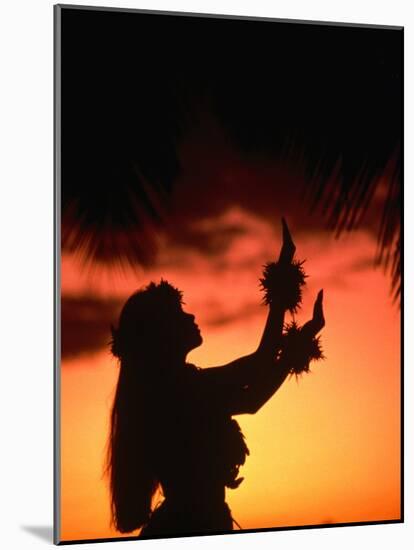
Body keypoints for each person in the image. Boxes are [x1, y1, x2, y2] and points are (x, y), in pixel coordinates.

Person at [104, 219, 325, 538]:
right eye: (179, 314)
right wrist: (282, 283)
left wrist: (302, 338)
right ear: (162, 335)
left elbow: (252, 399)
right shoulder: (180, 392)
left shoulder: (181, 388)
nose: (191, 316)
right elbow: (259, 362)